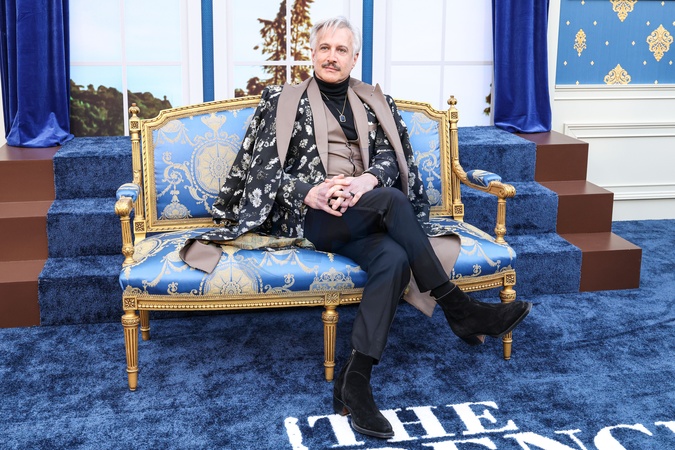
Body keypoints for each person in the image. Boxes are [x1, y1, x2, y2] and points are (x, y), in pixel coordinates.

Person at [181, 16, 531, 439]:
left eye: (341, 50)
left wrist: (365, 181)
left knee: (394, 256)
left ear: (354, 58)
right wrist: (309, 192)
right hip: (315, 217)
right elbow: (262, 171)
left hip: (364, 209)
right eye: (324, 48)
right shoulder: (281, 101)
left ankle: (356, 381)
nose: (331, 57)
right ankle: (459, 308)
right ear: (312, 53)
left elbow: (389, 157)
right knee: (393, 201)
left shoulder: (373, 102)